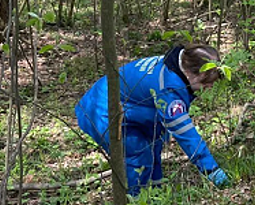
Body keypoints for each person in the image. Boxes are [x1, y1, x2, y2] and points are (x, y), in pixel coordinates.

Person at [75, 44, 230, 195]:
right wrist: (212, 170)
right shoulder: (169, 88)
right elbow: (186, 134)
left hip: (127, 107)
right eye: (207, 82)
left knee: (153, 142)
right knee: (137, 154)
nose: (209, 87)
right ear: (195, 74)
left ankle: (155, 194)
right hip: (100, 109)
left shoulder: (176, 64)